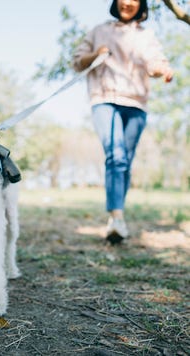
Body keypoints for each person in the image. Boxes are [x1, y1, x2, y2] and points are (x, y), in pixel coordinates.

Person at [72, 0, 173, 244]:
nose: (128, 2)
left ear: (141, 5)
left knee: (124, 161)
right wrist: (97, 54)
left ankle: (119, 214)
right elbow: (77, 62)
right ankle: (116, 218)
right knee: (115, 155)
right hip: (104, 100)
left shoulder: (146, 36)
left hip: (136, 105)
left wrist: (161, 69)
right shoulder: (99, 31)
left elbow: (156, 62)